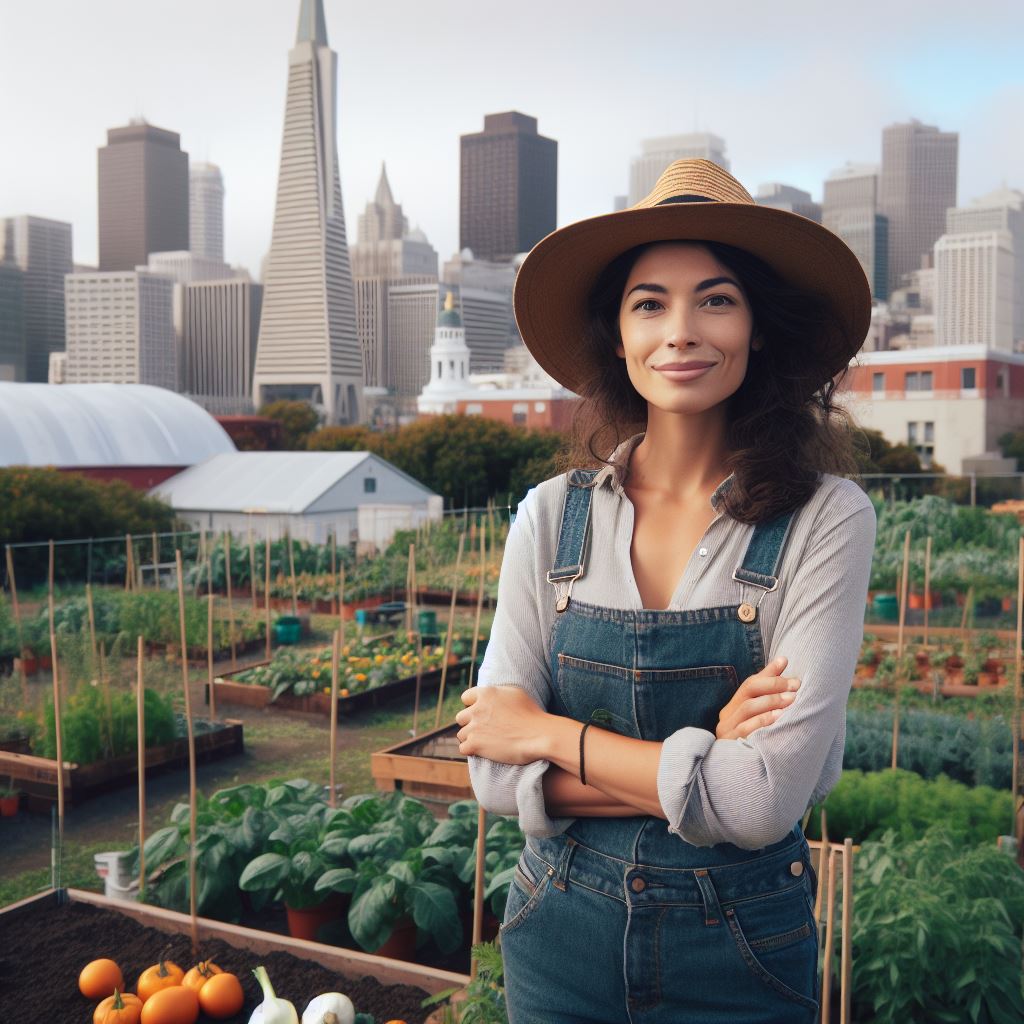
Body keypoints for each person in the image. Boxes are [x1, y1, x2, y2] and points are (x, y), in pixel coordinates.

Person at [454, 159, 876, 1024]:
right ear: (617, 333)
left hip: (741, 947)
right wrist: (705, 760)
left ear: (758, 327)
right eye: (650, 303)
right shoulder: (549, 516)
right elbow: (493, 774)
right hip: (555, 931)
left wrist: (547, 733)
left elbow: (764, 803)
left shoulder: (827, 518)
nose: (680, 331)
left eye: (715, 299)